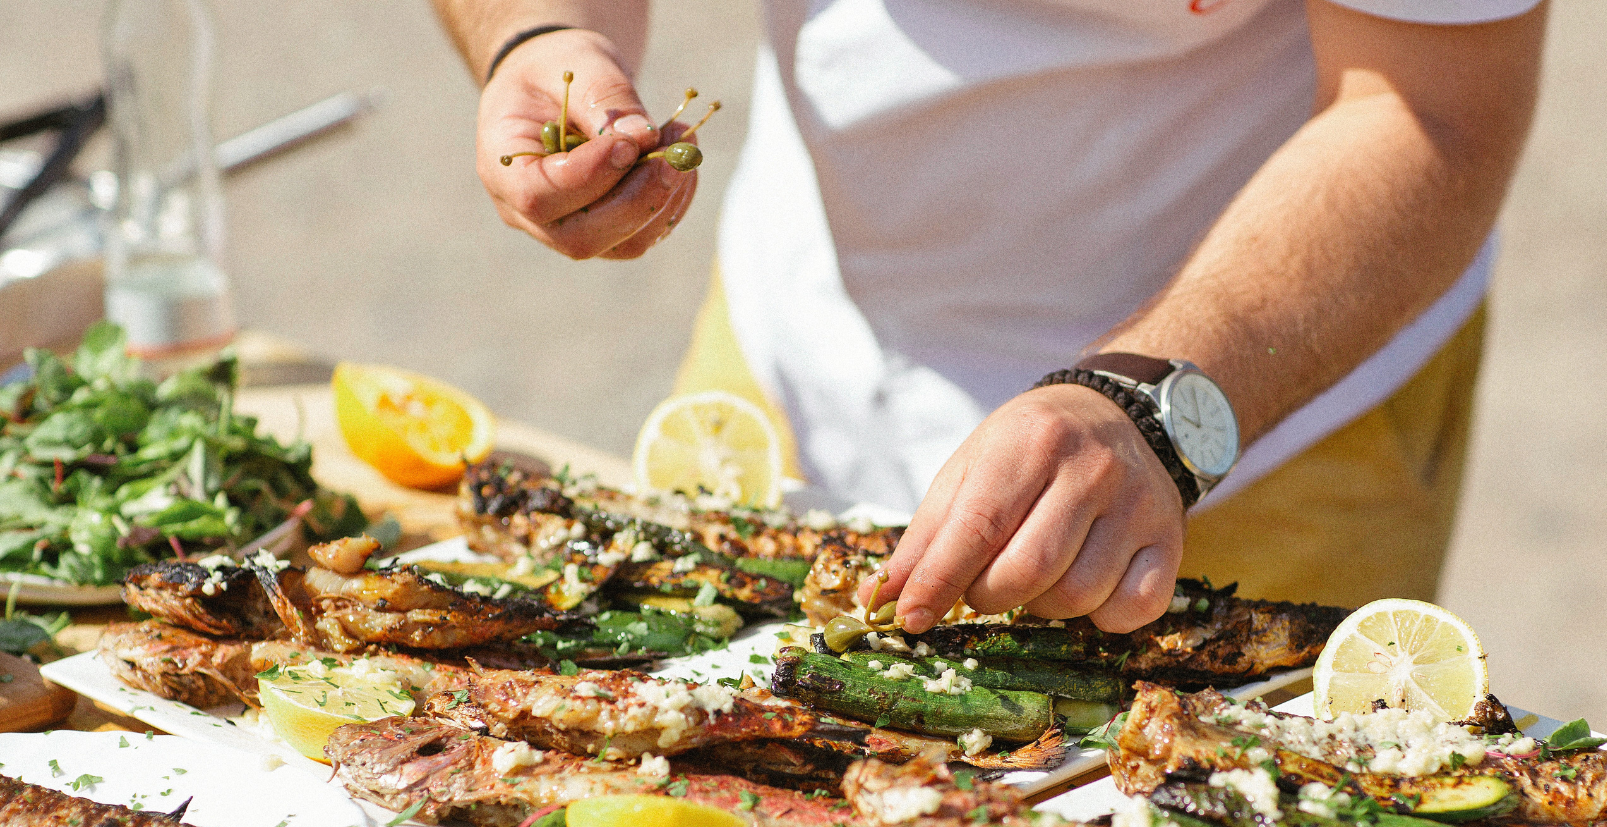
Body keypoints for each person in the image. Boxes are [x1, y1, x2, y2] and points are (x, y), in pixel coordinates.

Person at [431, 0, 1546, 636]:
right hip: (796, 332)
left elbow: (1429, 107)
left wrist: (1154, 407)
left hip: (1250, 405)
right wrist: (541, 36)